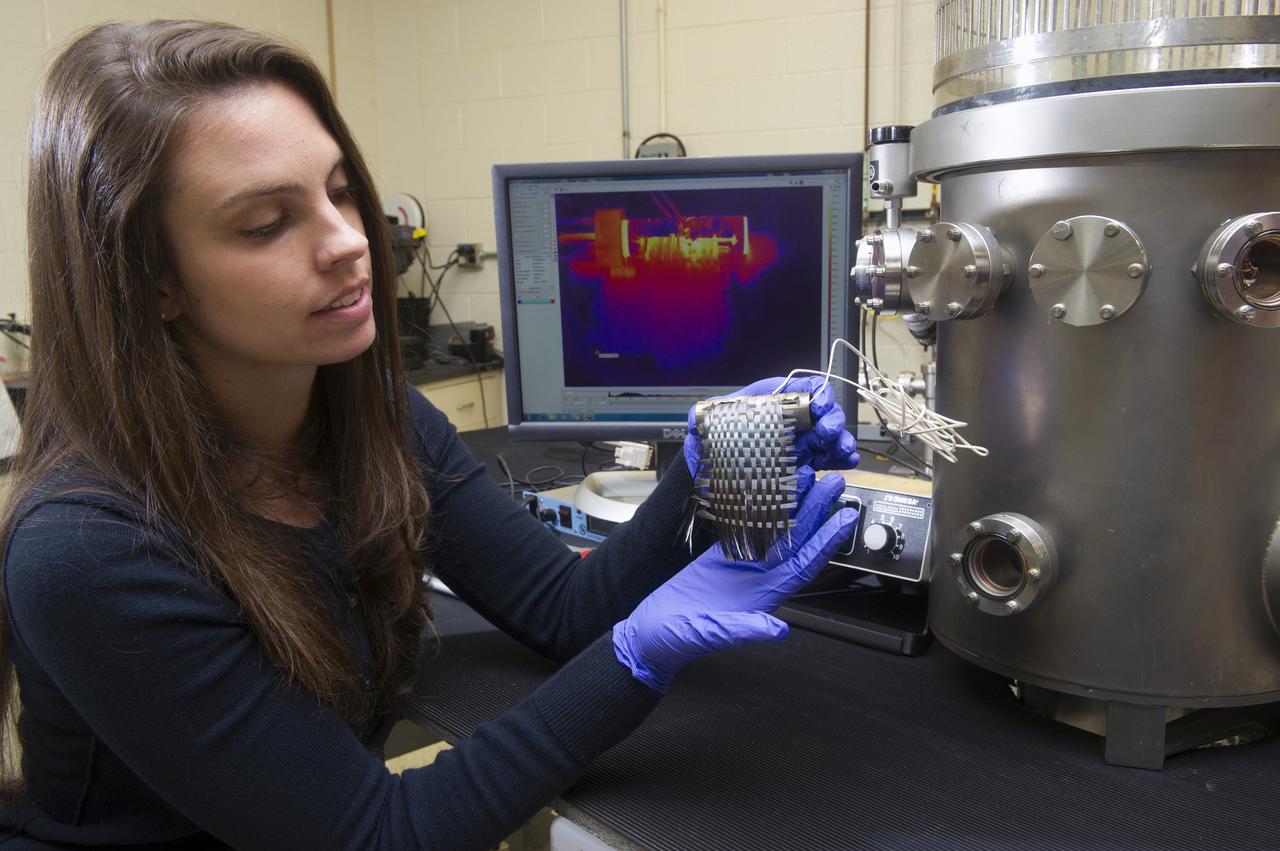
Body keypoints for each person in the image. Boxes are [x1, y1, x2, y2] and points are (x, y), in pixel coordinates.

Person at [0, 20, 859, 850]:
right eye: (266, 223)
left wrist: (704, 480)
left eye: (341, 191)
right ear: (149, 282)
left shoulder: (377, 420)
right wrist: (636, 655)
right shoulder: (90, 549)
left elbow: (564, 609)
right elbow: (380, 833)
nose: (349, 242)